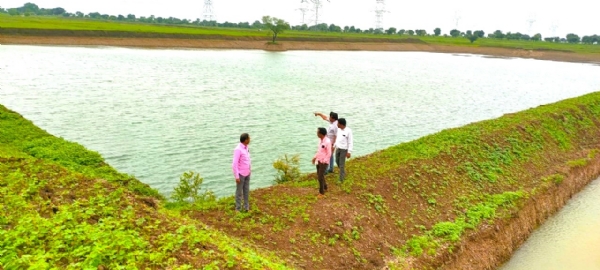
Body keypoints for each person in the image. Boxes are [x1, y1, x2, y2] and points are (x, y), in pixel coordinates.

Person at [232, 133, 251, 212]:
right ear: (246, 140)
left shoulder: (246, 148)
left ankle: (246, 207)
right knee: (239, 192)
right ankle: (238, 208)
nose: (250, 139)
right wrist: (237, 176)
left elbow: (247, 160)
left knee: (246, 191)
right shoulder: (238, 149)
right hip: (240, 174)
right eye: (249, 138)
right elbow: (234, 164)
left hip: (247, 172)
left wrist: (250, 170)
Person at [312, 127, 332, 197]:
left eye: (317, 132)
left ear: (321, 134)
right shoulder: (320, 141)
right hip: (319, 160)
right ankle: (325, 187)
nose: (317, 133)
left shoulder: (327, 141)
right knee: (320, 175)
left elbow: (329, 153)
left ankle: (321, 192)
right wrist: (315, 157)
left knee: (320, 177)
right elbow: (319, 151)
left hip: (323, 162)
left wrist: (325, 161)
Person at [334, 118, 353, 183]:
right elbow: (337, 138)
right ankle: (343, 172)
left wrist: (349, 152)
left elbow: (350, 142)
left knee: (342, 164)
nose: (337, 124)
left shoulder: (348, 131)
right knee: (337, 161)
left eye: (338, 123)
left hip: (344, 150)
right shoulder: (338, 130)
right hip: (338, 148)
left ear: (341, 124)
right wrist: (334, 146)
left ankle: (341, 178)